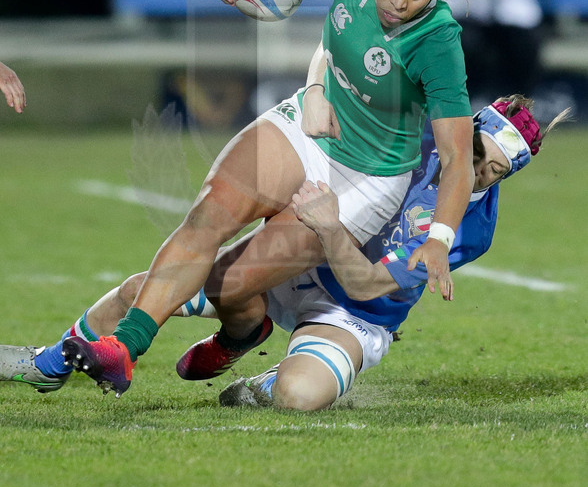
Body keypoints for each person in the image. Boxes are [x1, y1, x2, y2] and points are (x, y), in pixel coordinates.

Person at [61, 0, 475, 398]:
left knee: (232, 283)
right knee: (208, 215)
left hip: (365, 179)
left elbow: (457, 157)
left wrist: (439, 239)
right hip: (308, 127)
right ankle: (123, 350)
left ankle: (242, 330)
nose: (400, 0)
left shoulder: (439, 43)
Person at [0, 96, 568, 409]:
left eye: (490, 171)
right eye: (472, 152)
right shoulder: (412, 133)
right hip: (299, 256)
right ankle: (50, 363)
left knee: (299, 397)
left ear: (504, 178)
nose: (471, 172)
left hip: (355, 311)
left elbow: (369, 285)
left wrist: (326, 227)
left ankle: (263, 378)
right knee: (139, 293)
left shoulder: (469, 229)